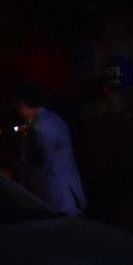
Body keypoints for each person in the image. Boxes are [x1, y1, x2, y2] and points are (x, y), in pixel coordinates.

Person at [15, 83, 86, 217]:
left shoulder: (40, 126)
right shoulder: (52, 118)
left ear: (23, 105)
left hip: (53, 191)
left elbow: (43, 157)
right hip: (64, 187)